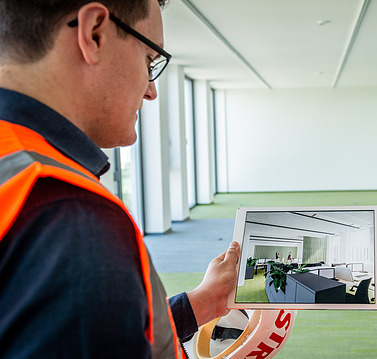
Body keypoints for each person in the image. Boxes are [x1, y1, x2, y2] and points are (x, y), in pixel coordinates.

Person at [0, 1, 239, 358]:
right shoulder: (70, 217)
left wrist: (201, 304)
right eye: (149, 60)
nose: (150, 90)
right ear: (94, 33)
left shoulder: (17, 169)